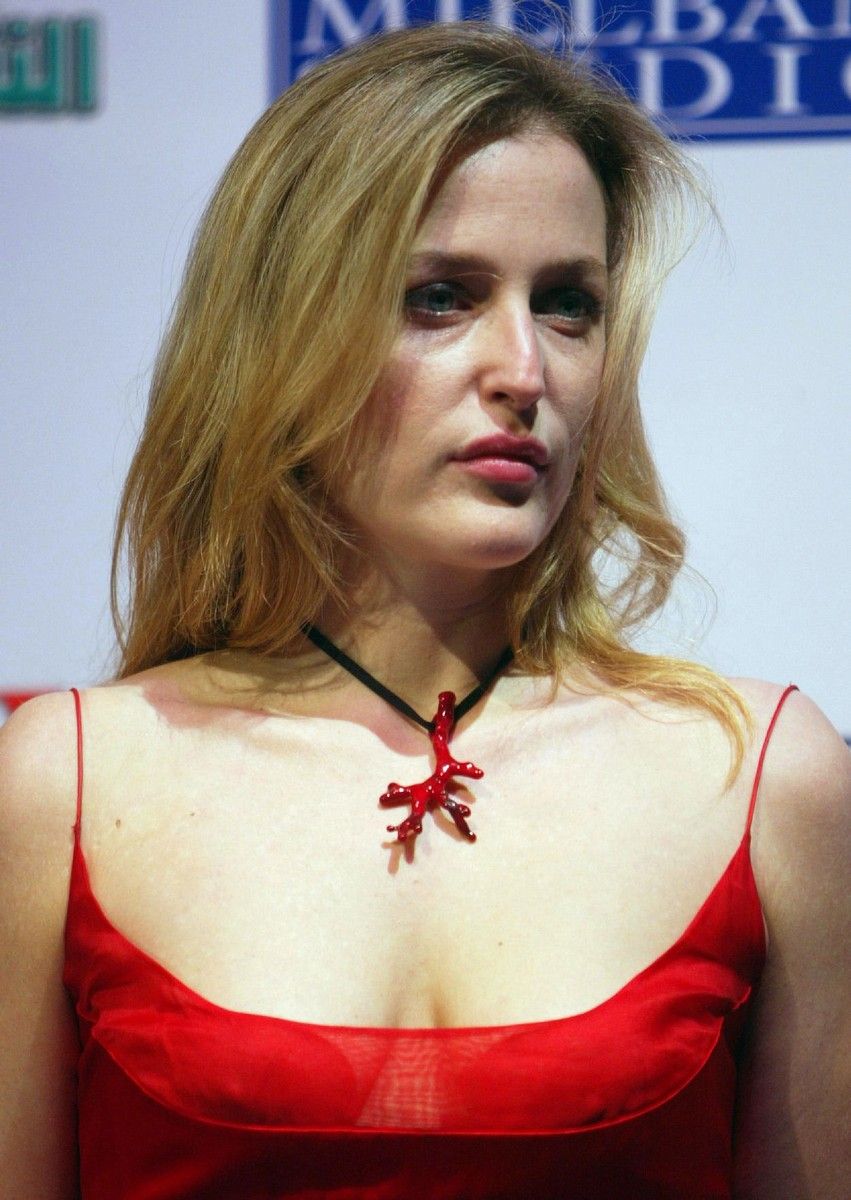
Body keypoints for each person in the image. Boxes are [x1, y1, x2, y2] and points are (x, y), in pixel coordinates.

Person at [0, 19, 848, 1200]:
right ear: (279, 334)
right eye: (439, 297)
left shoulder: (761, 778)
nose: (524, 371)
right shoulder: (63, 782)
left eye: (568, 305)